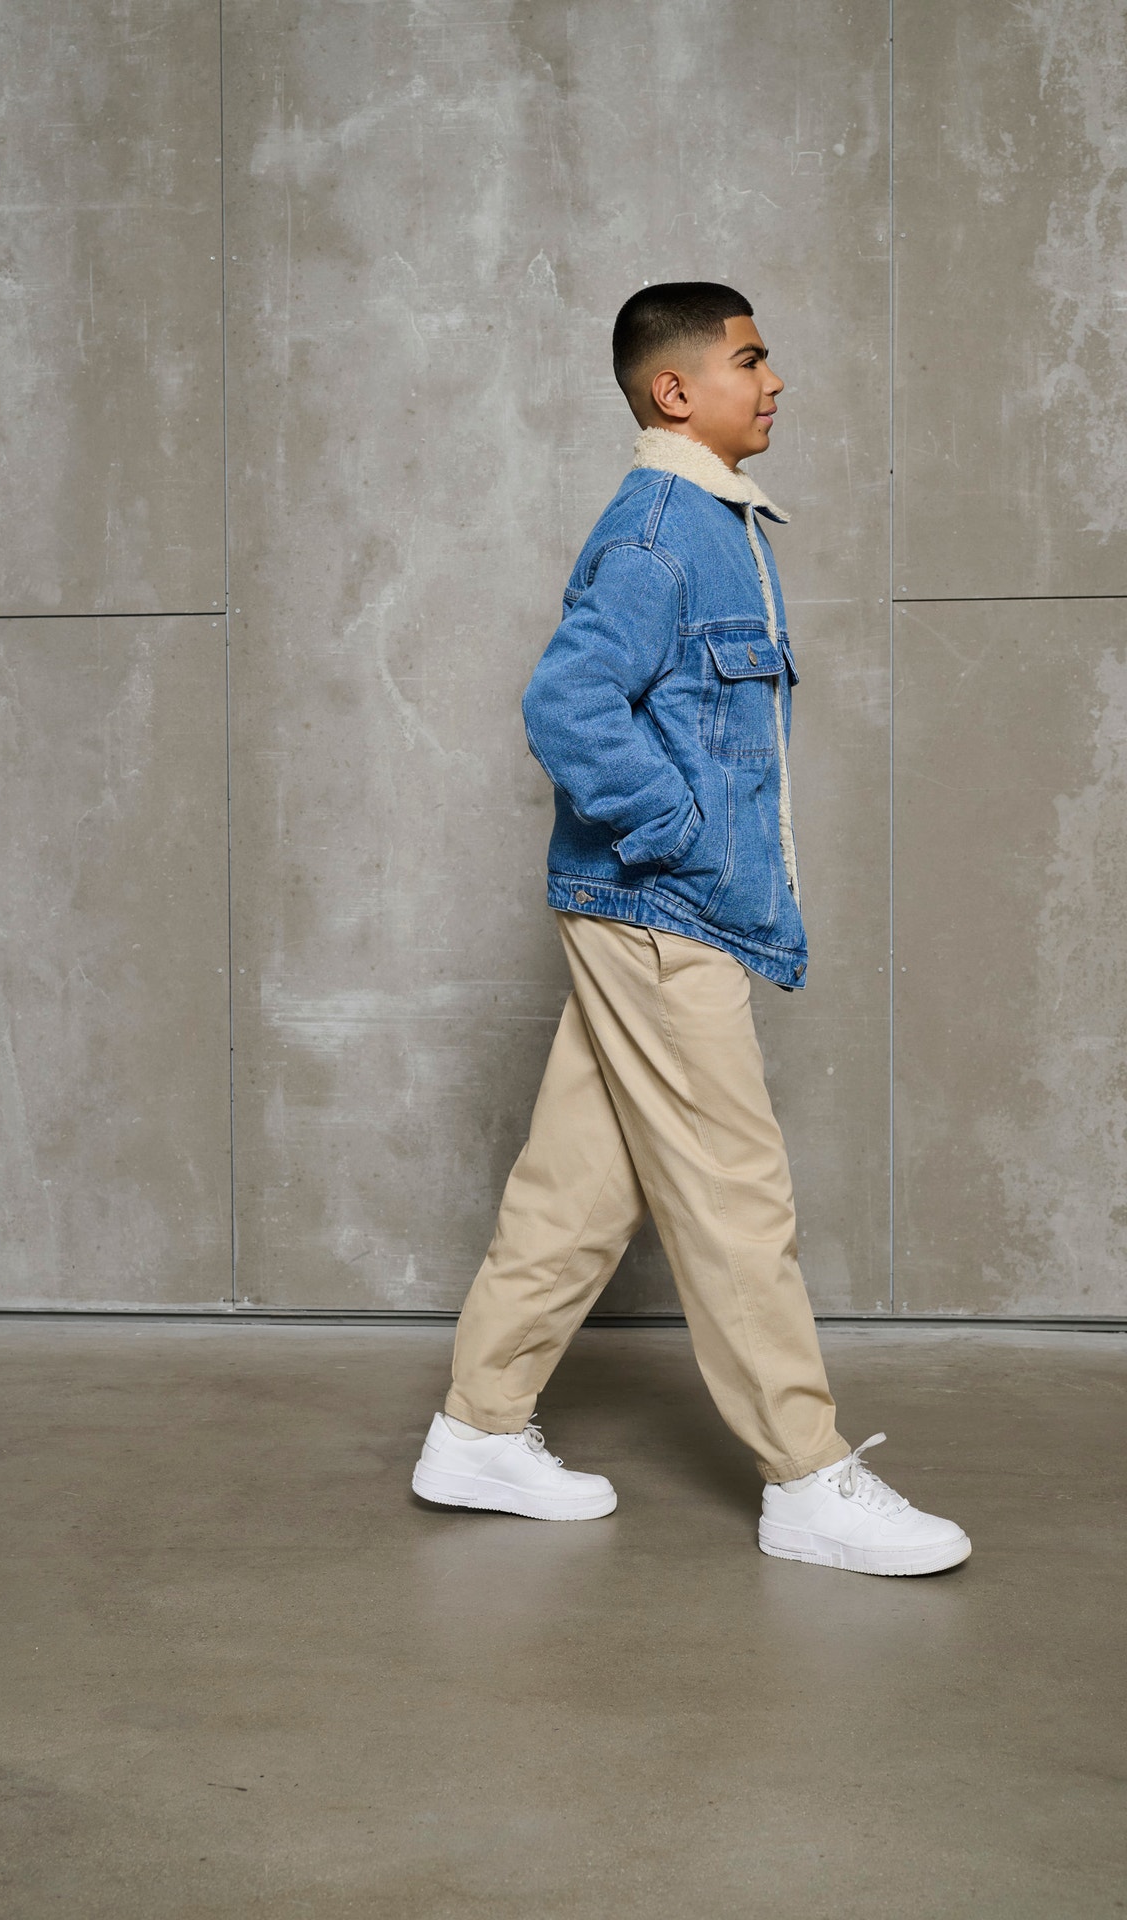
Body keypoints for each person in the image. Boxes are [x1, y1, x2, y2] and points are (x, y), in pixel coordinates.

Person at [410, 281, 969, 1577]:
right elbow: (568, 704)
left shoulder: (715, 524)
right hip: (663, 906)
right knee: (732, 1192)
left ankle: (478, 1430)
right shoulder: (663, 531)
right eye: (750, 360)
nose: (774, 382)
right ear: (676, 390)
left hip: (652, 904)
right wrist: (682, 835)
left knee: (579, 1187)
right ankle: (806, 1476)